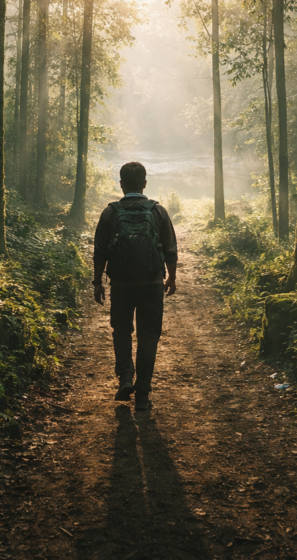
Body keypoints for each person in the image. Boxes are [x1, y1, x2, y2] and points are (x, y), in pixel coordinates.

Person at [92, 161, 177, 411]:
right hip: (151, 283)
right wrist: (171, 277)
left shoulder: (111, 212)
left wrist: (98, 282)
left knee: (121, 331)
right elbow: (170, 249)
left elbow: (100, 252)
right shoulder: (157, 211)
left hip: (121, 283)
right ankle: (143, 392)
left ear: (121, 184)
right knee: (148, 335)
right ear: (144, 184)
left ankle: (125, 378)